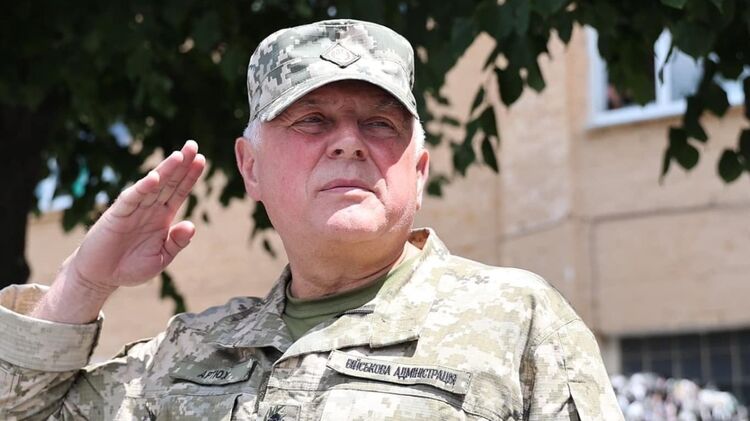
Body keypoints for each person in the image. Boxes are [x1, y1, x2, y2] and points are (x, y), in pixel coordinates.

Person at [0, 19, 624, 420]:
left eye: (379, 123)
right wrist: (83, 283)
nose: (349, 142)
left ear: (419, 171)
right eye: (313, 120)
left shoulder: (516, 320)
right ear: (251, 169)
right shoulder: (187, 351)